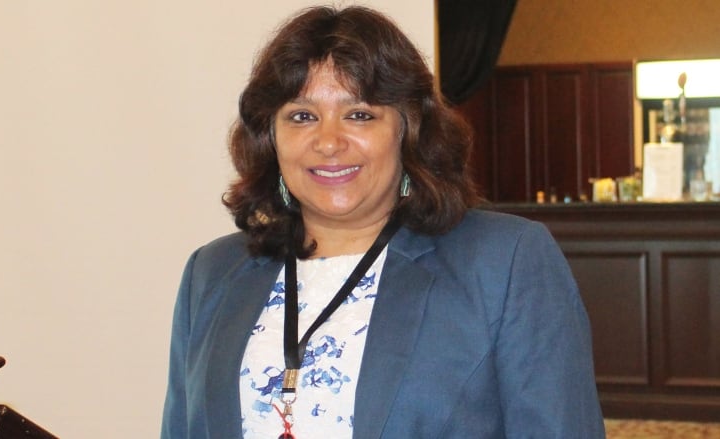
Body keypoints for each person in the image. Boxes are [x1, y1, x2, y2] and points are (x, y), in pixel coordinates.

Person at [161, 5, 605, 439]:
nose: (329, 142)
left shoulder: (504, 263)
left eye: (360, 115)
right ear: (270, 137)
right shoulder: (212, 273)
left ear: (407, 128)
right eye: (301, 116)